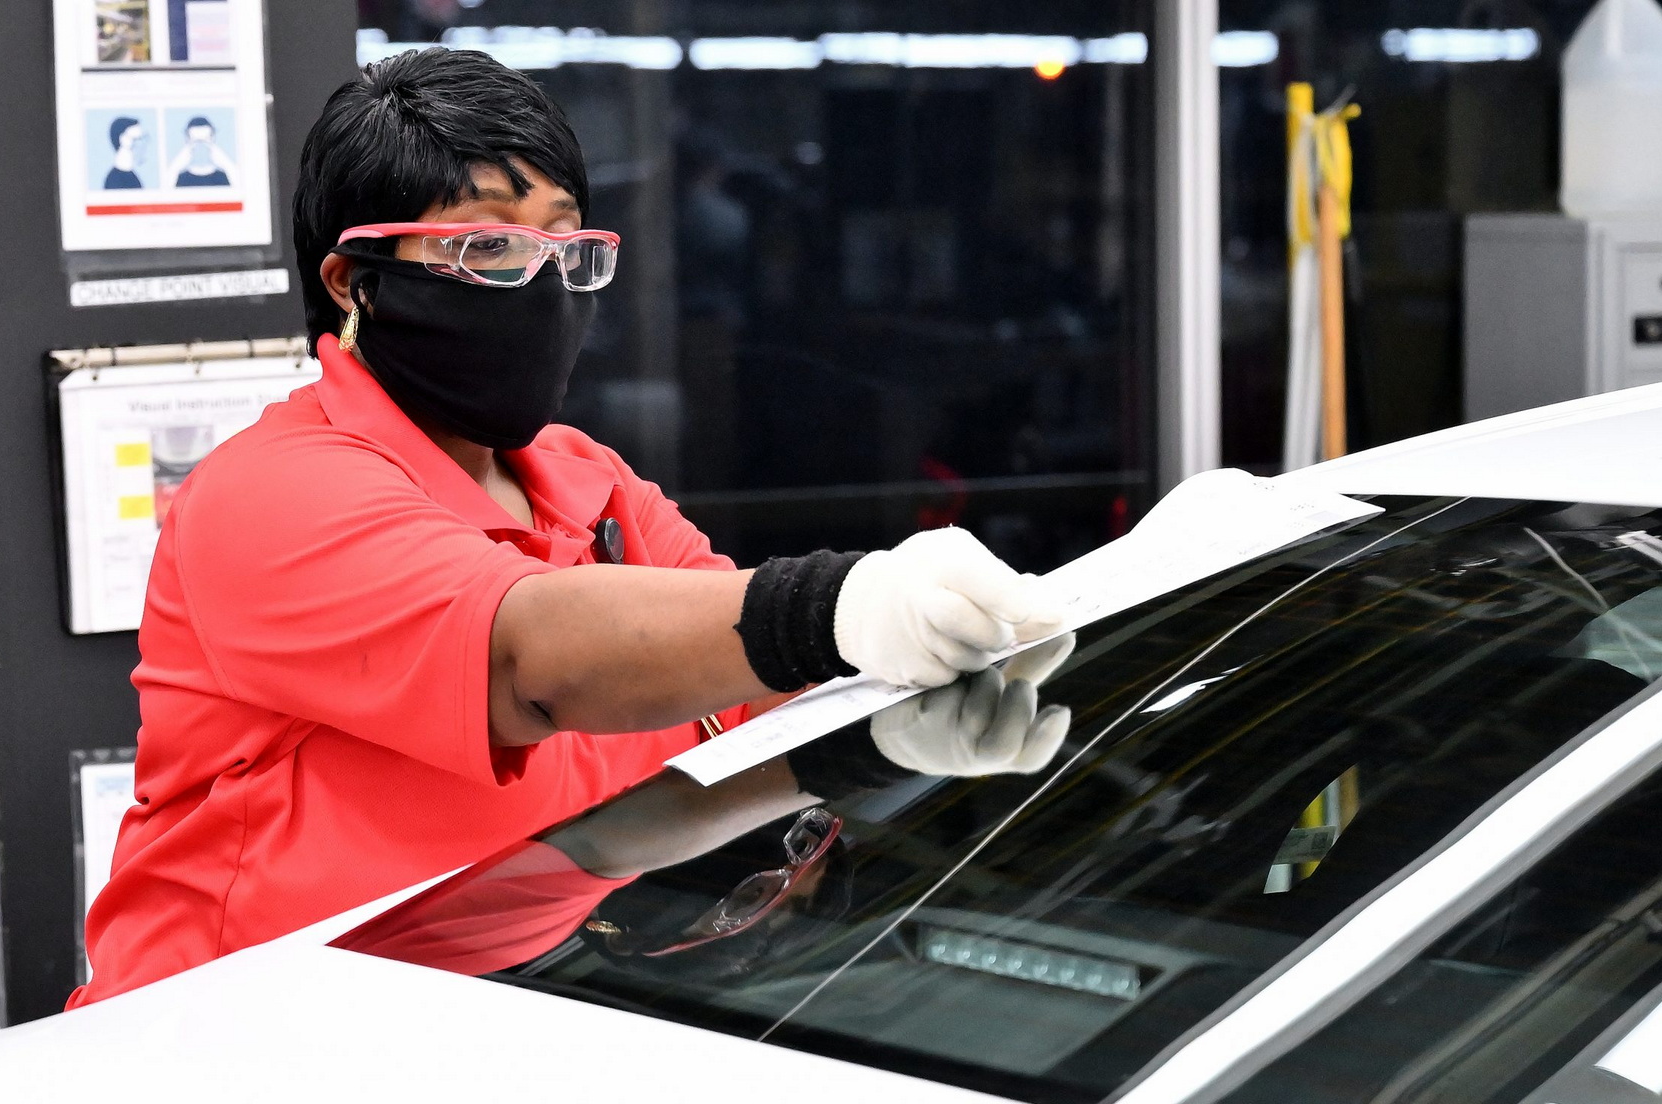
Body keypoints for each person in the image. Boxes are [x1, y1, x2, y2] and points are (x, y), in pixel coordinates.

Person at [71, 48, 1064, 1006]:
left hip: (503, 1018)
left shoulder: (585, 482)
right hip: (223, 1040)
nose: (542, 282)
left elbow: (746, 688)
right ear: (351, 280)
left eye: (565, 243)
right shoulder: (271, 494)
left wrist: (938, 683)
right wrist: (840, 605)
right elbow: (530, 658)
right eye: (487, 246)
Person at [166, 116, 234, 187]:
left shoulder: (222, 177)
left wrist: (227, 165)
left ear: (213, 139)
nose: (200, 146)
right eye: (195, 141)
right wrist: (175, 168)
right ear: (187, 140)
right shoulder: (180, 178)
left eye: (205, 141)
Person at [102, 116, 145, 189]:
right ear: (123, 139)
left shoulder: (133, 177)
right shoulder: (114, 180)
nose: (140, 144)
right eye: (136, 139)